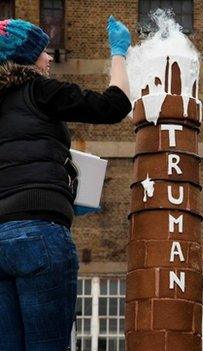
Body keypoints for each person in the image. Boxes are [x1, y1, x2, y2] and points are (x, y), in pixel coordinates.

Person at [0, 16, 131, 350]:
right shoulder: (40, 91)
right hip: (39, 233)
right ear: (26, 59)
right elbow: (114, 106)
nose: (48, 59)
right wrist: (119, 53)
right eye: (42, 52)